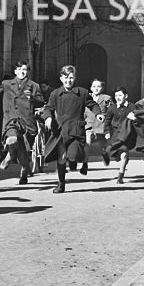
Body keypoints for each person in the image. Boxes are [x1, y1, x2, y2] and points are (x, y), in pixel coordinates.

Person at [0, 61, 45, 186]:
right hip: (11, 118)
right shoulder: (6, 84)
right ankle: (10, 155)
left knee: (24, 151)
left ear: (27, 71)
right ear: (15, 71)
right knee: (12, 138)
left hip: (27, 122)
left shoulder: (34, 86)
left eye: (24, 69)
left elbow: (41, 102)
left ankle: (23, 170)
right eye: (19, 69)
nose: (22, 72)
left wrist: (32, 99)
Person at [39, 65, 96, 194]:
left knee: (73, 155)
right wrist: (47, 118)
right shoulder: (55, 94)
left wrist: (98, 113)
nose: (68, 80)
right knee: (62, 156)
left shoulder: (82, 92)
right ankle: (61, 184)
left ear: (74, 78)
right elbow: (48, 108)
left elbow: (92, 104)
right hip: (61, 131)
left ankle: (75, 160)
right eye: (66, 78)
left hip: (76, 130)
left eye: (71, 78)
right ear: (61, 79)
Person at [103, 86, 139, 184]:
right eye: (116, 95)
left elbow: (139, 121)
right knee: (117, 156)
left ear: (126, 96)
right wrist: (106, 132)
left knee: (124, 153)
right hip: (115, 135)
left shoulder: (132, 107)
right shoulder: (112, 108)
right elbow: (107, 121)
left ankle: (120, 176)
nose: (117, 97)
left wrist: (134, 119)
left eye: (120, 95)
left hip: (128, 135)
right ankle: (108, 154)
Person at [84, 78, 113, 171]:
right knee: (87, 143)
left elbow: (111, 112)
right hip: (88, 124)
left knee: (102, 147)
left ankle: (105, 155)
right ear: (91, 88)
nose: (96, 88)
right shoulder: (86, 97)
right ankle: (85, 163)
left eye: (98, 86)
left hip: (101, 125)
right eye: (94, 86)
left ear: (102, 88)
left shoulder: (106, 98)